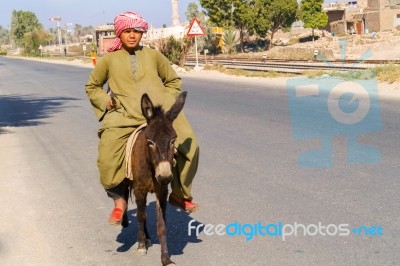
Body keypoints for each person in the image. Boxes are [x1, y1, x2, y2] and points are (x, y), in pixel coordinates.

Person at [85, 11, 200, 226]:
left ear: (142, 33)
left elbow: (173, 80)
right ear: (119, 33)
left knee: (190, 146)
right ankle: (119, 203)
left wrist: (165, 100)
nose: (132, 35)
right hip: (124, 114)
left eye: (136, 31)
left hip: (157, 115)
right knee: (107, 155)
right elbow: (92, 86)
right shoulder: (109, 59)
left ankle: (179, 193)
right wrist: (105, 101)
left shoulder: (153, 55)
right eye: (127, 31)